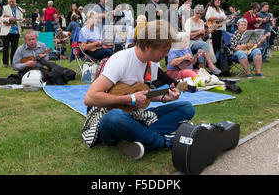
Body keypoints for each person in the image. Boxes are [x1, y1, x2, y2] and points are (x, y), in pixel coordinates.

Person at [83, 20, 195, 159]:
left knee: (186, 108)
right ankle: (162, 141)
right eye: (163, 51)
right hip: (108, 116)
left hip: (134, 114)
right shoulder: (121, 60)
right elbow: (90, 98)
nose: (166, 55)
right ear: (148, 46)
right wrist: (130, 99)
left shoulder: (152, 63)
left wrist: (164, 98)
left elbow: (143, 93)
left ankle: (136, 136)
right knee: (116, 117)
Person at [184, 5, 221, 75]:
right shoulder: (189, 21)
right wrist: (198, 32)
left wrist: (207, 33)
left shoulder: (201, 22)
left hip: (198, 41)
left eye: (201, 14)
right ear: (194, 12)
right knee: (204, 44)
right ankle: (210, 65)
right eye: (197, 13)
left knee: (201, 50)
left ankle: (202, 70)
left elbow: (202, 36)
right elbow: (187, 36)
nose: (199, 15)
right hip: (189, 42)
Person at [0, 0, 25, 67]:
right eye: (9, 1)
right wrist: (9, 19)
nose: (11, 3)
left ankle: (13, 62)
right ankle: (5, 63)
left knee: (14, 48)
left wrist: (22, 21)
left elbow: (20, 20)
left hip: (16, 31)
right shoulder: (4, 8)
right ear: (8, 1)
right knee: (5, 47)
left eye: (12, 1)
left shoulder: (19, 9)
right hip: (6, 30)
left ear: (15, 1)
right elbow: (1, 18)